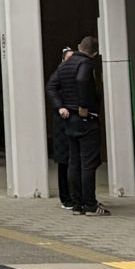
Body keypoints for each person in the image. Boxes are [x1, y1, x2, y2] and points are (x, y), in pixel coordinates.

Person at [50, 38, 107, 213]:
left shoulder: (64, 65)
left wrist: (60, 106)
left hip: (70, 120)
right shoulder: (86, 63)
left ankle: (76, 203)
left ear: (78, 47)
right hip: (85, 118)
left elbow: (51, 86)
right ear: (94, 53)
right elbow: (82, 80)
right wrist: (83, 105)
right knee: (88, 163)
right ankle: (90, 203)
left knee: (74, 162)